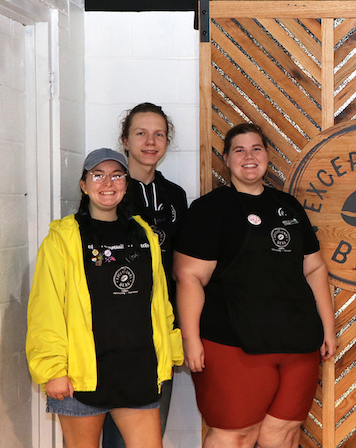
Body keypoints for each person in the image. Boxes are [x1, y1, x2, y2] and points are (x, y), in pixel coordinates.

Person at [174, 123, 336, 448]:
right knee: (235, 436)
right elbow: (189, 276)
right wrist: (191, 340)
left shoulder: (288, 206)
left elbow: (315, 267)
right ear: (226, 159)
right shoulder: (210, 209)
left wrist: (328, 329)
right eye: (239, 150)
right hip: (233, 346)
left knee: (283, 435)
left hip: (298, 345)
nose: (249, 157)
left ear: (266, 156)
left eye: (256, 149)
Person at [26, 148, 183, 448]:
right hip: (81, 377)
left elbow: (159, 301)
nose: (107, 183)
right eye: (97, 175)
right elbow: (45, 309)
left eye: (116, 175)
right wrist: (54, 370)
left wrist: (170, 352)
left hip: (138, 370)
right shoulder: (62, 238)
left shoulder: (144, 233)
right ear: (84, 185)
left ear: (126, 184)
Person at [102, 103, 188, 447]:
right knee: (116, 436)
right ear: (126, 139)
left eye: (159, 134)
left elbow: (181, 268)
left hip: (160, 331)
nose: (150, 142)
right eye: (141, 133)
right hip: (115, 333)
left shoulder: (175, 196)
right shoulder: (108, 194)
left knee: (151, 433)